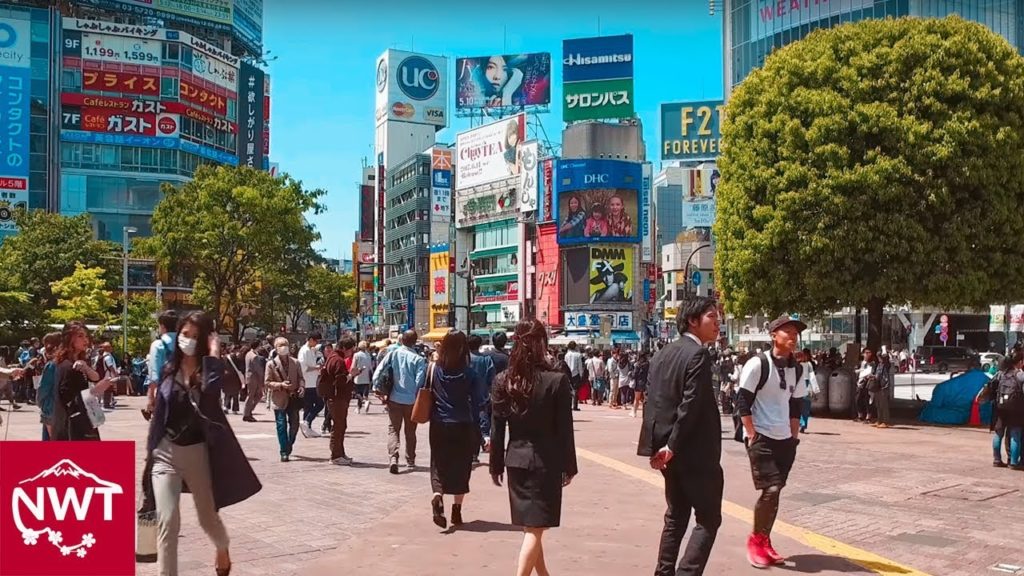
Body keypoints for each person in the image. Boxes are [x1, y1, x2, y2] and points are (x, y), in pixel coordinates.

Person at [146, 311, 261, 576]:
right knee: (167, 522)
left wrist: (213, 355)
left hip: (197, 453)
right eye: (184, 334)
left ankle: (222, 546)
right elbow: (159, 419)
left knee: (207, 518)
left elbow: (210, 399)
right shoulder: (168, 369)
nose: (187, 340)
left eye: (195, 337)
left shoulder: (209, 370)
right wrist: (149, 456)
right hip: (165, 453)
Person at [640, 297, 723, 576]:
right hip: (694, 454)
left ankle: (664, 572)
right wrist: (673, 446)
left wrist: (657, 447)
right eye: (712, 316)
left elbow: (654, 403)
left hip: (669, 454)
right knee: (708, 519)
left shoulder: (662, 353)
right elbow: (690, 405)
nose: (718, 322)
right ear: (692, 320)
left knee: (676, 517)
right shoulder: (698, 354)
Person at [490, 319, 577, 576]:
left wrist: (495, 465)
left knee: (532, 527)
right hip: (545, 462)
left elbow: (498, 429)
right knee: (536, 529)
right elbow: (565, 431)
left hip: (515, 460)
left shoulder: (503, 380)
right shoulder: (556, 381)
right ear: (542, 344)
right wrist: (569, 466)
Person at [735, 315, 809, 569]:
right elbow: (742, 401)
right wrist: (751, 433)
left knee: (775, 493)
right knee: (771, 489)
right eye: (787, 332)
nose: (793, 337)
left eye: (795, 333)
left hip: (784, 439)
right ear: (773, 335)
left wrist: (794, 436)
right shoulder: (758, 364)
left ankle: (764, 540)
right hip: (762, 437)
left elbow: (796, 405)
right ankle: (755, 541)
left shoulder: (798, 368)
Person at [428, 331, 487, 529]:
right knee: (462, 466)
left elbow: (424, 390)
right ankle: (456, 510)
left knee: (438, 462)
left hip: (438, 422)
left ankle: (437, 495)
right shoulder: (470, 373)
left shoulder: (434, 369)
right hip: (463, 423)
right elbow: (481, 401)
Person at [373, 329, 427, 474]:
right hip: (411, 400)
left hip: (394, 398)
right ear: (415, 342)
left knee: (393, 429)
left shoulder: (393, 354)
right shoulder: (419, 359)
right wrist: (414, 395)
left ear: (402, 340)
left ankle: (393, 458)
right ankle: (410, 460)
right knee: (410, 431)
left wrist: (376, 387)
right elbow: (419, 381)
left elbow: (378, 371)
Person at [51, 322, 114, 441]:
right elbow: (66, 398)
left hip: (83, 420)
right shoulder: (67, 366)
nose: (85, 340)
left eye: (86, 336)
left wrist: (86, 368)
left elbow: (95, 377)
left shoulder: (80, 362)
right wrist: (95, 391)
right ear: (69, 339)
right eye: (80, 336)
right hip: (74, 426)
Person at [265, 337, 304, 462]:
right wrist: (281, 385)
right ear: (276, 348)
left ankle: (288, 445)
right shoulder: (271, 364)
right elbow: (267, 382)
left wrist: (302, 386)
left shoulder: (296, 362)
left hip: (293, 397)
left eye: (285, 345)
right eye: (280, 345)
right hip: (279, 398)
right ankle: (283, 451)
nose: (283, 348)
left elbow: (301, 378)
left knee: (295, 424)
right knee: (281, 425)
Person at [322, 337, 355, 465]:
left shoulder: (332, 357)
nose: (351, 352)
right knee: (339, 425)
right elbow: (340, 381)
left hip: (333, 397)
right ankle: (336, 455)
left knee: (340, 425)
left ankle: (340, 453)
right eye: (351, 349)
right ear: (345, 348)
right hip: (337, 398)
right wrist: (351, 375)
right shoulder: (338, 360)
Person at [993, 353, 1024, 469]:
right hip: (1016, 409)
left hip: (1000, 407)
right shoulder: (1020, 375)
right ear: (1020, 362)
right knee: (1015, 434)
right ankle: (1014, 462)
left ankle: (997, 460)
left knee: (998, 434)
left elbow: (990, 387)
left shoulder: (1000, 374)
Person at [146, 311, 179, 418]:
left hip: (165, 391)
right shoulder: (184, 343)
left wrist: (151, 397)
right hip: (184, 390)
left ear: (163, 326)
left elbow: (154, 374)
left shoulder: (158, 345)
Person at [34, 332, 61, 440]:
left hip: (51, 407)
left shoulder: (52, 365)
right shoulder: (71, 361)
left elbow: (43, 388)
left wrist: (39, 402)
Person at [298, 332, 324, 438]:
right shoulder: (304, 351)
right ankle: (307, 422)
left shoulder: (311, 350)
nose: (316, 343)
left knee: (308, 406)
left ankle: (307, 427)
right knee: (319, 404)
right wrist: (316, 368)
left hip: (313, 382)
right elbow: (303, 367)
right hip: (308, 383)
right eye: (316, 340)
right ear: (311, 339)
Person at [797, 349, 819, 433]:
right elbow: (812, 378)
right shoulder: (807, 364)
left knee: (802, 407)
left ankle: (802, 424)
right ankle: (803, 424)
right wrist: (815, 391)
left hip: (802, 387)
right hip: (804, 387)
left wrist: (815, 390)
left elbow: (812, 377)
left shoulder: (799, 365)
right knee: (804, 408)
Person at [856, 349, 878, 423]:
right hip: (860, 382)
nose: (868, 354)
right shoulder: (860, 363)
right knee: (858, 399)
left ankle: (868, 417)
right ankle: (860, 416)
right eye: (866, 353)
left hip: (868, 383)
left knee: (867, 400)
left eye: (869, 353)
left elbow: (874, 371)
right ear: (863, 354)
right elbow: (855, 370)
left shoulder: (872, 363)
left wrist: (869, 374)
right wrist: (861, 370)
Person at [352, 340, 374, 414]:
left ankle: (363, 401)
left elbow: (353, 366)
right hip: (366, 377)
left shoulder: (356, 355)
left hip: (358, 376)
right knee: (365, 392)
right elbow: (371, 367)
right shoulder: (368, 355)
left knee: (357, 392)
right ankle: (360, 406)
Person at [221, 345, 244, 415]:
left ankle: (226, 407)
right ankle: (235, 409)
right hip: (235, 377)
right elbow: (241, 367)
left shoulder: (224, 357)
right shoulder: (237, 358)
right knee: (235, 394)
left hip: (226, 376)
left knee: (227, 393)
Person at [872, 353, 893, 429]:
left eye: (880, 357)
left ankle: (886, 421)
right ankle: (879, 420)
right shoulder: (878, 365)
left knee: (884, 405)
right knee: (878, 404)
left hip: (884, 386)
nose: (879, 359)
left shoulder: (886, 365)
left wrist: (885, 352)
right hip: (878, 386)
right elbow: (878, 375)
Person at [563, 341, 584, 411]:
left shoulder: (566, 355)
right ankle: (574, 405)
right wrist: (581, 375)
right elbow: (580, 366)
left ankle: (569, 405)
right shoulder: (578, 355)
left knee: (568, 389)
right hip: (576, 374)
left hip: (568, 374)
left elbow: (565, 365)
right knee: (575, 390)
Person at [631, 352, 649, 419]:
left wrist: (632, 376)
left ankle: (634, 412)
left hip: (638, 383)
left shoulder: (637, 364)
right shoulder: (647, 364)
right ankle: (645, 413)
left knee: (636, 399)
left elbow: (634, 374)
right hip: (645, 383)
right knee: (645, 399)